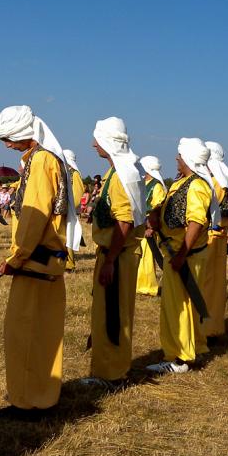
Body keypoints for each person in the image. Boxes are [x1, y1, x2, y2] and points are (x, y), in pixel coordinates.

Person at [0, 105, 81, 419]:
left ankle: (28, 402)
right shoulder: (44, 159)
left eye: (8, 138)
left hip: (35, 262)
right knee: (43, 332)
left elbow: (34, 215)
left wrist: (17, 258)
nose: (6, 145)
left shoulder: (41, 161)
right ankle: (41, 394)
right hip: (47, 261)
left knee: (24, 333)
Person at [145, 138, 218, 375]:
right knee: (187, 304)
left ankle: (178, 357)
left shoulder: (196, 185)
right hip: (177, 252)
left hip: (184, 256)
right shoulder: (183, 181)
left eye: (179, 155)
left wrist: (181, 254)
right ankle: (196, 347)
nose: (176, 158)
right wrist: (157, 213)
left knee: (178, 307)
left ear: (187, 158)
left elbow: (196, 222)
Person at [83, 118, 147, 385]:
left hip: (118, 255)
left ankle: (113, 373)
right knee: (106, 311)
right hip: (114, 253)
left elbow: (124, 221)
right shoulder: (116, 172)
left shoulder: (121, 175)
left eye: (97, 139)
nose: (93, 144)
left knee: (113, 313)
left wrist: (110, 260)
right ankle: (108, 369)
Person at [201, 141, 228, 338]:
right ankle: (213, 326)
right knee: (216, 285)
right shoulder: (224, 181)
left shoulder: (213, 183)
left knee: (206, 284)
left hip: (209, 238)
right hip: (219, 238)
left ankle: (204, 328)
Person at [135, 155, 167, 296]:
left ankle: (147, 286)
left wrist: (151, 227)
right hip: (139, 225)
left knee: (147, 256)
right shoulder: (143, 183)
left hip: (148, 226)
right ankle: (138, 284)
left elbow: (158, 207)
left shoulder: (156, 186)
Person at [62, 149, 85, 270]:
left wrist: (68, 207)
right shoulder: (65, 172)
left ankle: (69, 264)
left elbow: (78, 193)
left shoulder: (75, 174)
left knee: (69, 236)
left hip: (69, 211)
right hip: (62, 210)